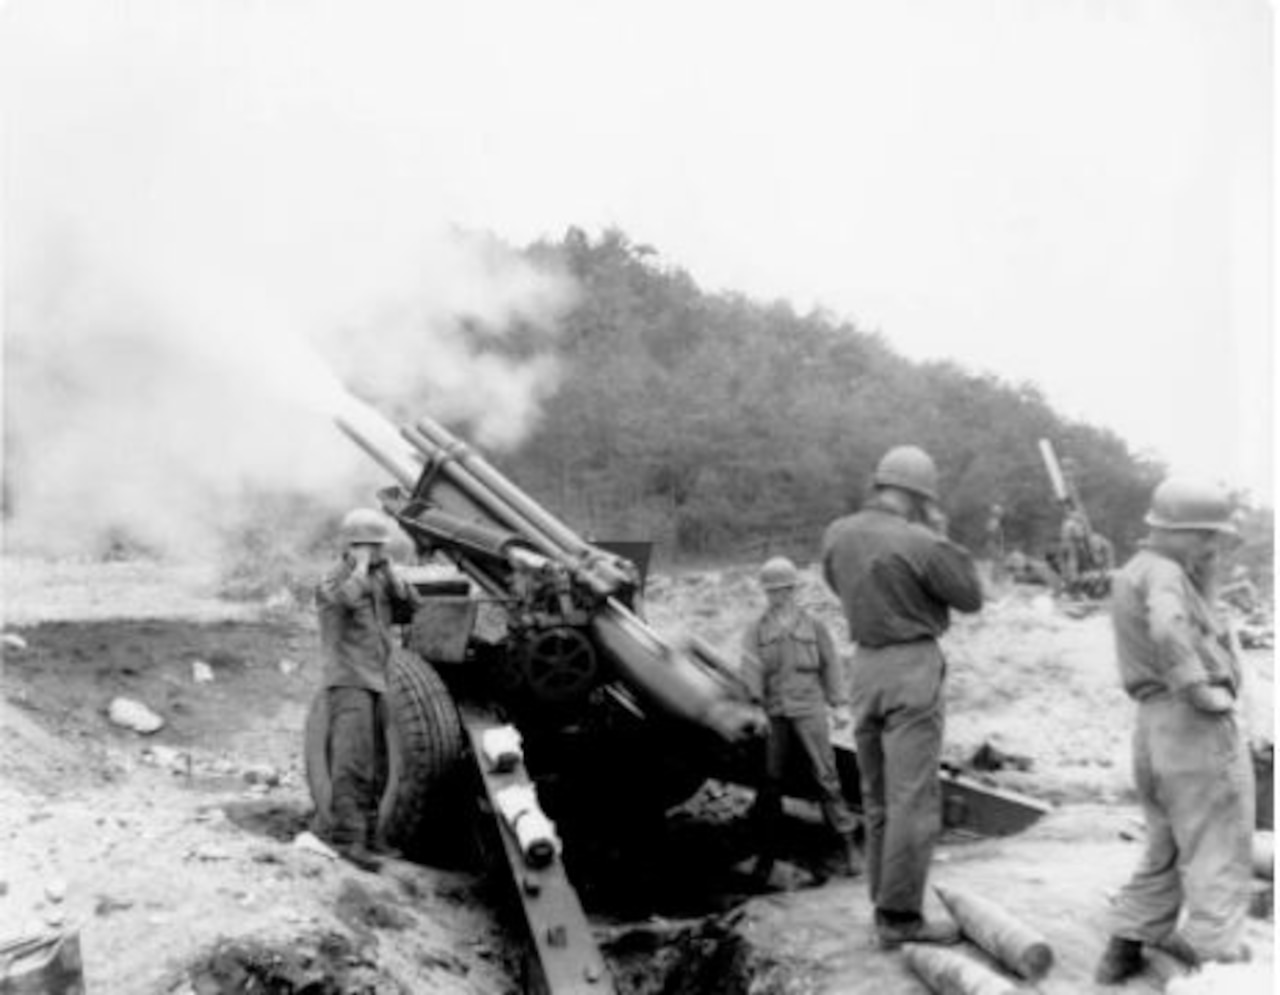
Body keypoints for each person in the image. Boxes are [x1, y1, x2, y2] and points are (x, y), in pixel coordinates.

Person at [821, 445, 983, 948]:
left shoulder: (838, 534)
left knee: (876, 797)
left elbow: (835, 583)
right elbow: (970, 597)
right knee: (913, 797)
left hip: (863, 667)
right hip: (911, 666)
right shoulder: (921, 541)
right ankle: (900, 917)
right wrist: (941, 534)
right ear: (919, 496)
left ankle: (882, 903)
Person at [1094, 477, 1254, 984]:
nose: (1213, 546)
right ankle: (1213, 964)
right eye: (1206, 535)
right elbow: (1167, 630)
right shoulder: (1166, 574)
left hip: (1152, 726)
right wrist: (1200, 688)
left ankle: (1124, 946)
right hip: (1191, 724)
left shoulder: (1133, 572)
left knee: (1163, 843)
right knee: (1219, 844)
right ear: (1177, 531)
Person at [740, 556, 862, 885]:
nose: (779, 596)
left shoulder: (814, 626)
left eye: (784, 590)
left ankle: (847, 844)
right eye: (773, 591)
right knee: (770, 783)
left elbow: (831, 666)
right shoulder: (757, 629)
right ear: (766, 593)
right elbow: (750, 670)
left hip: (810, 708)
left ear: (795, 589)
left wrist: (839, 706)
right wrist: (754, 708)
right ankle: (767, 853)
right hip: (774, 712)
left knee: (826, 777)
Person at [316, 507, 420, 872]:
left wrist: (394, 577)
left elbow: (411, 610)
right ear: (355, 546)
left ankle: (372, 834)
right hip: (348, 680)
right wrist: (360, 568)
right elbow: (341, 603)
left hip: (377, 679)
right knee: (352, 761)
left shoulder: (379, 579)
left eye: (381, 548)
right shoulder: (334, 579)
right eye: (374, 547)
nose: (380, 553)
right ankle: (349, 840)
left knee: (376, 762)